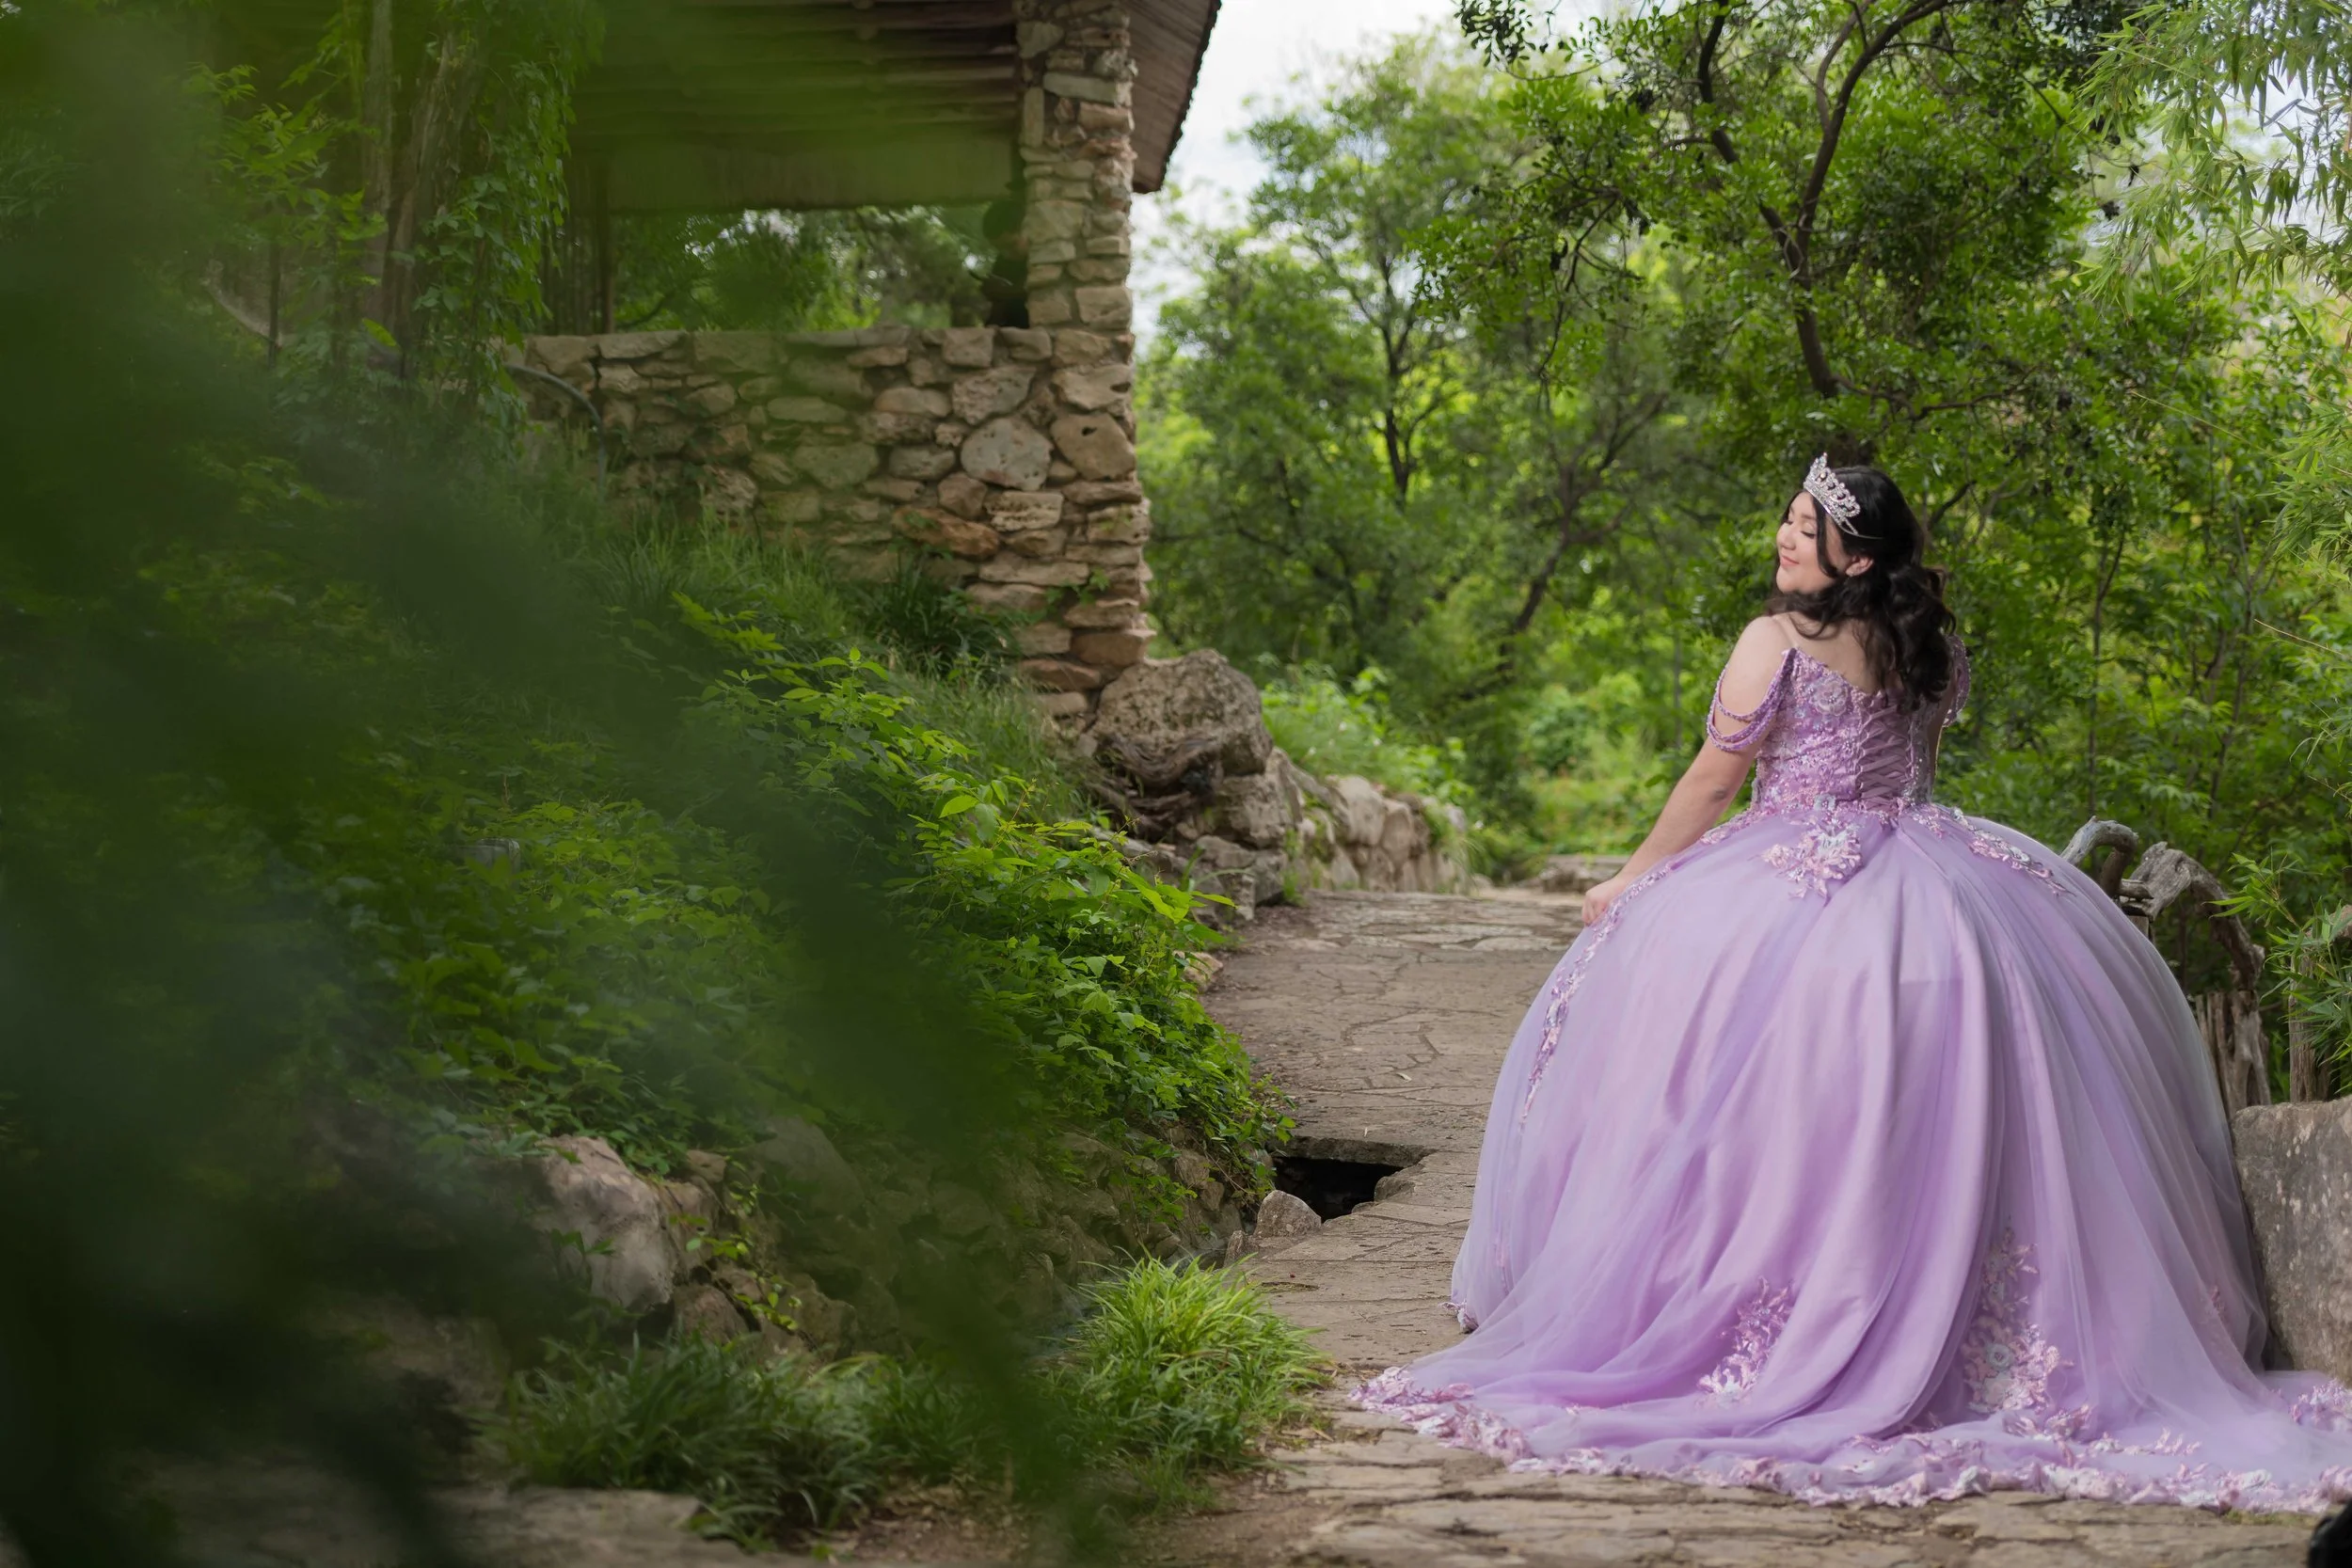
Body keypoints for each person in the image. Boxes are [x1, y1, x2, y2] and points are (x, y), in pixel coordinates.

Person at [1355, 457, 2352, 1511]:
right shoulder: (1932, 645)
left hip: (1793, 877)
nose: (1783, 536)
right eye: (1786, 516)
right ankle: (1928, 1316)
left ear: (1856, 554)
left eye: (1804, 525)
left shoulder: (1775, 639)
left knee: (1721, 1072)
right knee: (1928, 1103)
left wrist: (1632, 877)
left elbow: (1713, 777)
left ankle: (1747, 1311)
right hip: (1939, 886)